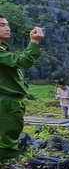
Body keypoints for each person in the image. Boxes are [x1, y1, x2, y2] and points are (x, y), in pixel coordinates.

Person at [0, 16, 43, 161]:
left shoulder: (4, 50)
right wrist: (34, 42)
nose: (7, 28)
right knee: (7, 140)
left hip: (10, 101)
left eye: (7, 24)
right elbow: (23, 61)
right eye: (2, 25)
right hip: (6, 102)